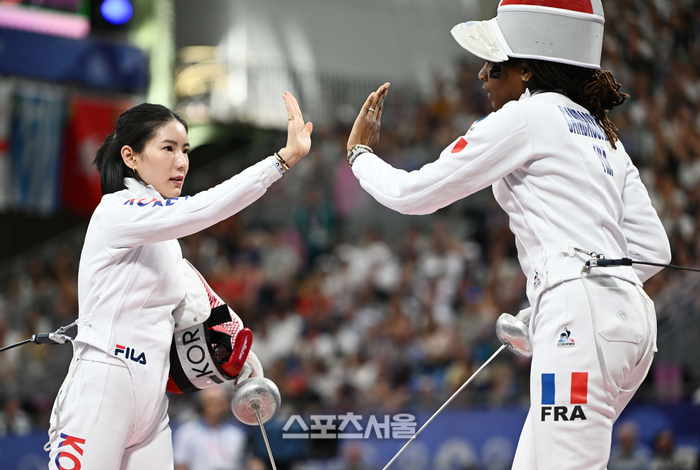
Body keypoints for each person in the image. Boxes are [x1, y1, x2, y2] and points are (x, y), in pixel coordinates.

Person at [344, 1, 671, 469]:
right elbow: (654, 251)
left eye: (494, 64)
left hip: (578, 325)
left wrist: (360, 155)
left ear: (526, 70)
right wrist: (560, 298)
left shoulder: (526, 117)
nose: (482, 75)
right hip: (633, 326)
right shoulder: (604, 135)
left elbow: (413, 193)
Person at [46, 93, 312, 470]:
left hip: (151, 400)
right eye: (168, 148)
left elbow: (196, 306)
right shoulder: (116, 213)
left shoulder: (165, 242)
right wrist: (279, 162)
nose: (182, 161)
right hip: (104, 385)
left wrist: (236, 351)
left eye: (185, 150)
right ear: (130, 157)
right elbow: (203, 209)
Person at [173, 385, 248, 470]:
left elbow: (243, 464)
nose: (217, 407)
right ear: (201, 404)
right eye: (212, 402)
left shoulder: (236, 434)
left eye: (221, 402)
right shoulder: (187, 432)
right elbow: (181, 465)